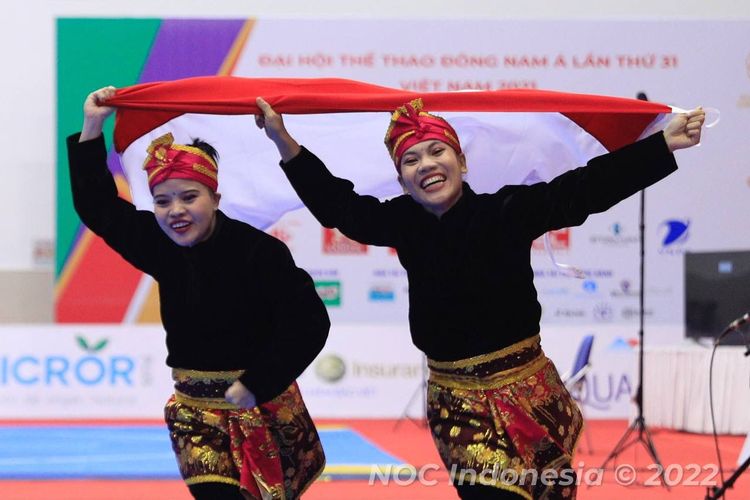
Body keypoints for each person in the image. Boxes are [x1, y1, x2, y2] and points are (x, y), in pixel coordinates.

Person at [255, 96, 705, 499]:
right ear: (401, 178)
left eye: (436, 151)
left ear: (461, 161)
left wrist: (660, 145)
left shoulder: (506, 211)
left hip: (531, 395)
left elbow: (586, 188)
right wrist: (282, 140)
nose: (426, 164)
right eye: (410, 159)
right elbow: (338, 206)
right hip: (457, 405)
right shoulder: (402, 223)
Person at [67, 86, 330, 500]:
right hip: (195, 410)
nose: (176, 211)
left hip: (263, 405)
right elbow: (98, 206)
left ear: (216, 197)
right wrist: (92, 125)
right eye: (162, 201)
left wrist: (257, 383)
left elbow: (311, 322)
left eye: (189, 197)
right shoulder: (159, 244)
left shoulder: (260, 252)